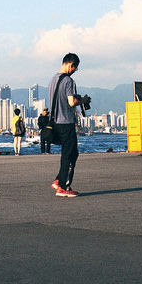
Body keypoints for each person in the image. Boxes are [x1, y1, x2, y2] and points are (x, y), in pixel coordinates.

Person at [49, 52, 82, 198]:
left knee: (68, 153)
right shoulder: (69, 81)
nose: (75, 71)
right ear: (70, 64)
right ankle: (63, 187)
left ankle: (59, 180)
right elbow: (70, 102)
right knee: (70, 155)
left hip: (56, 122)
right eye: (75, 68)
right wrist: (81, 101)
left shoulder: (53, 79)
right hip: (67, 121)